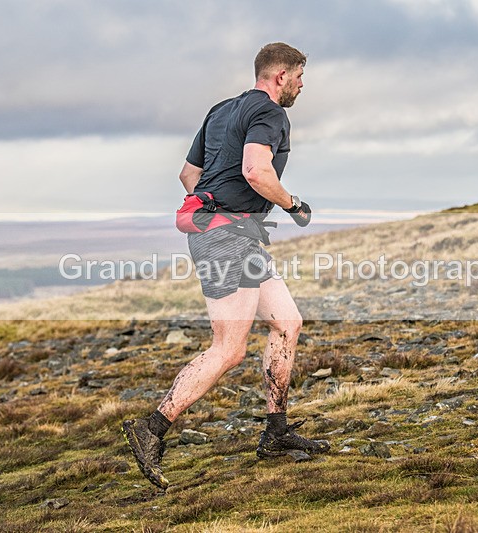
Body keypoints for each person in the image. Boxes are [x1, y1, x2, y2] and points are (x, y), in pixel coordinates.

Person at [122, 42, 329, 490]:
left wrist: (221, 206)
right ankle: (152, 428)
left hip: (236, 235)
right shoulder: (271, 114)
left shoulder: (221, 111)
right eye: (298, 77)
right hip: (226, 241)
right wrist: (294, 204)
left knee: (287, 322)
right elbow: (257, 171)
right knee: (229, 348)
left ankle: (276, 432)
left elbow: (187, 175)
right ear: (279, 77)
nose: (301, 85)